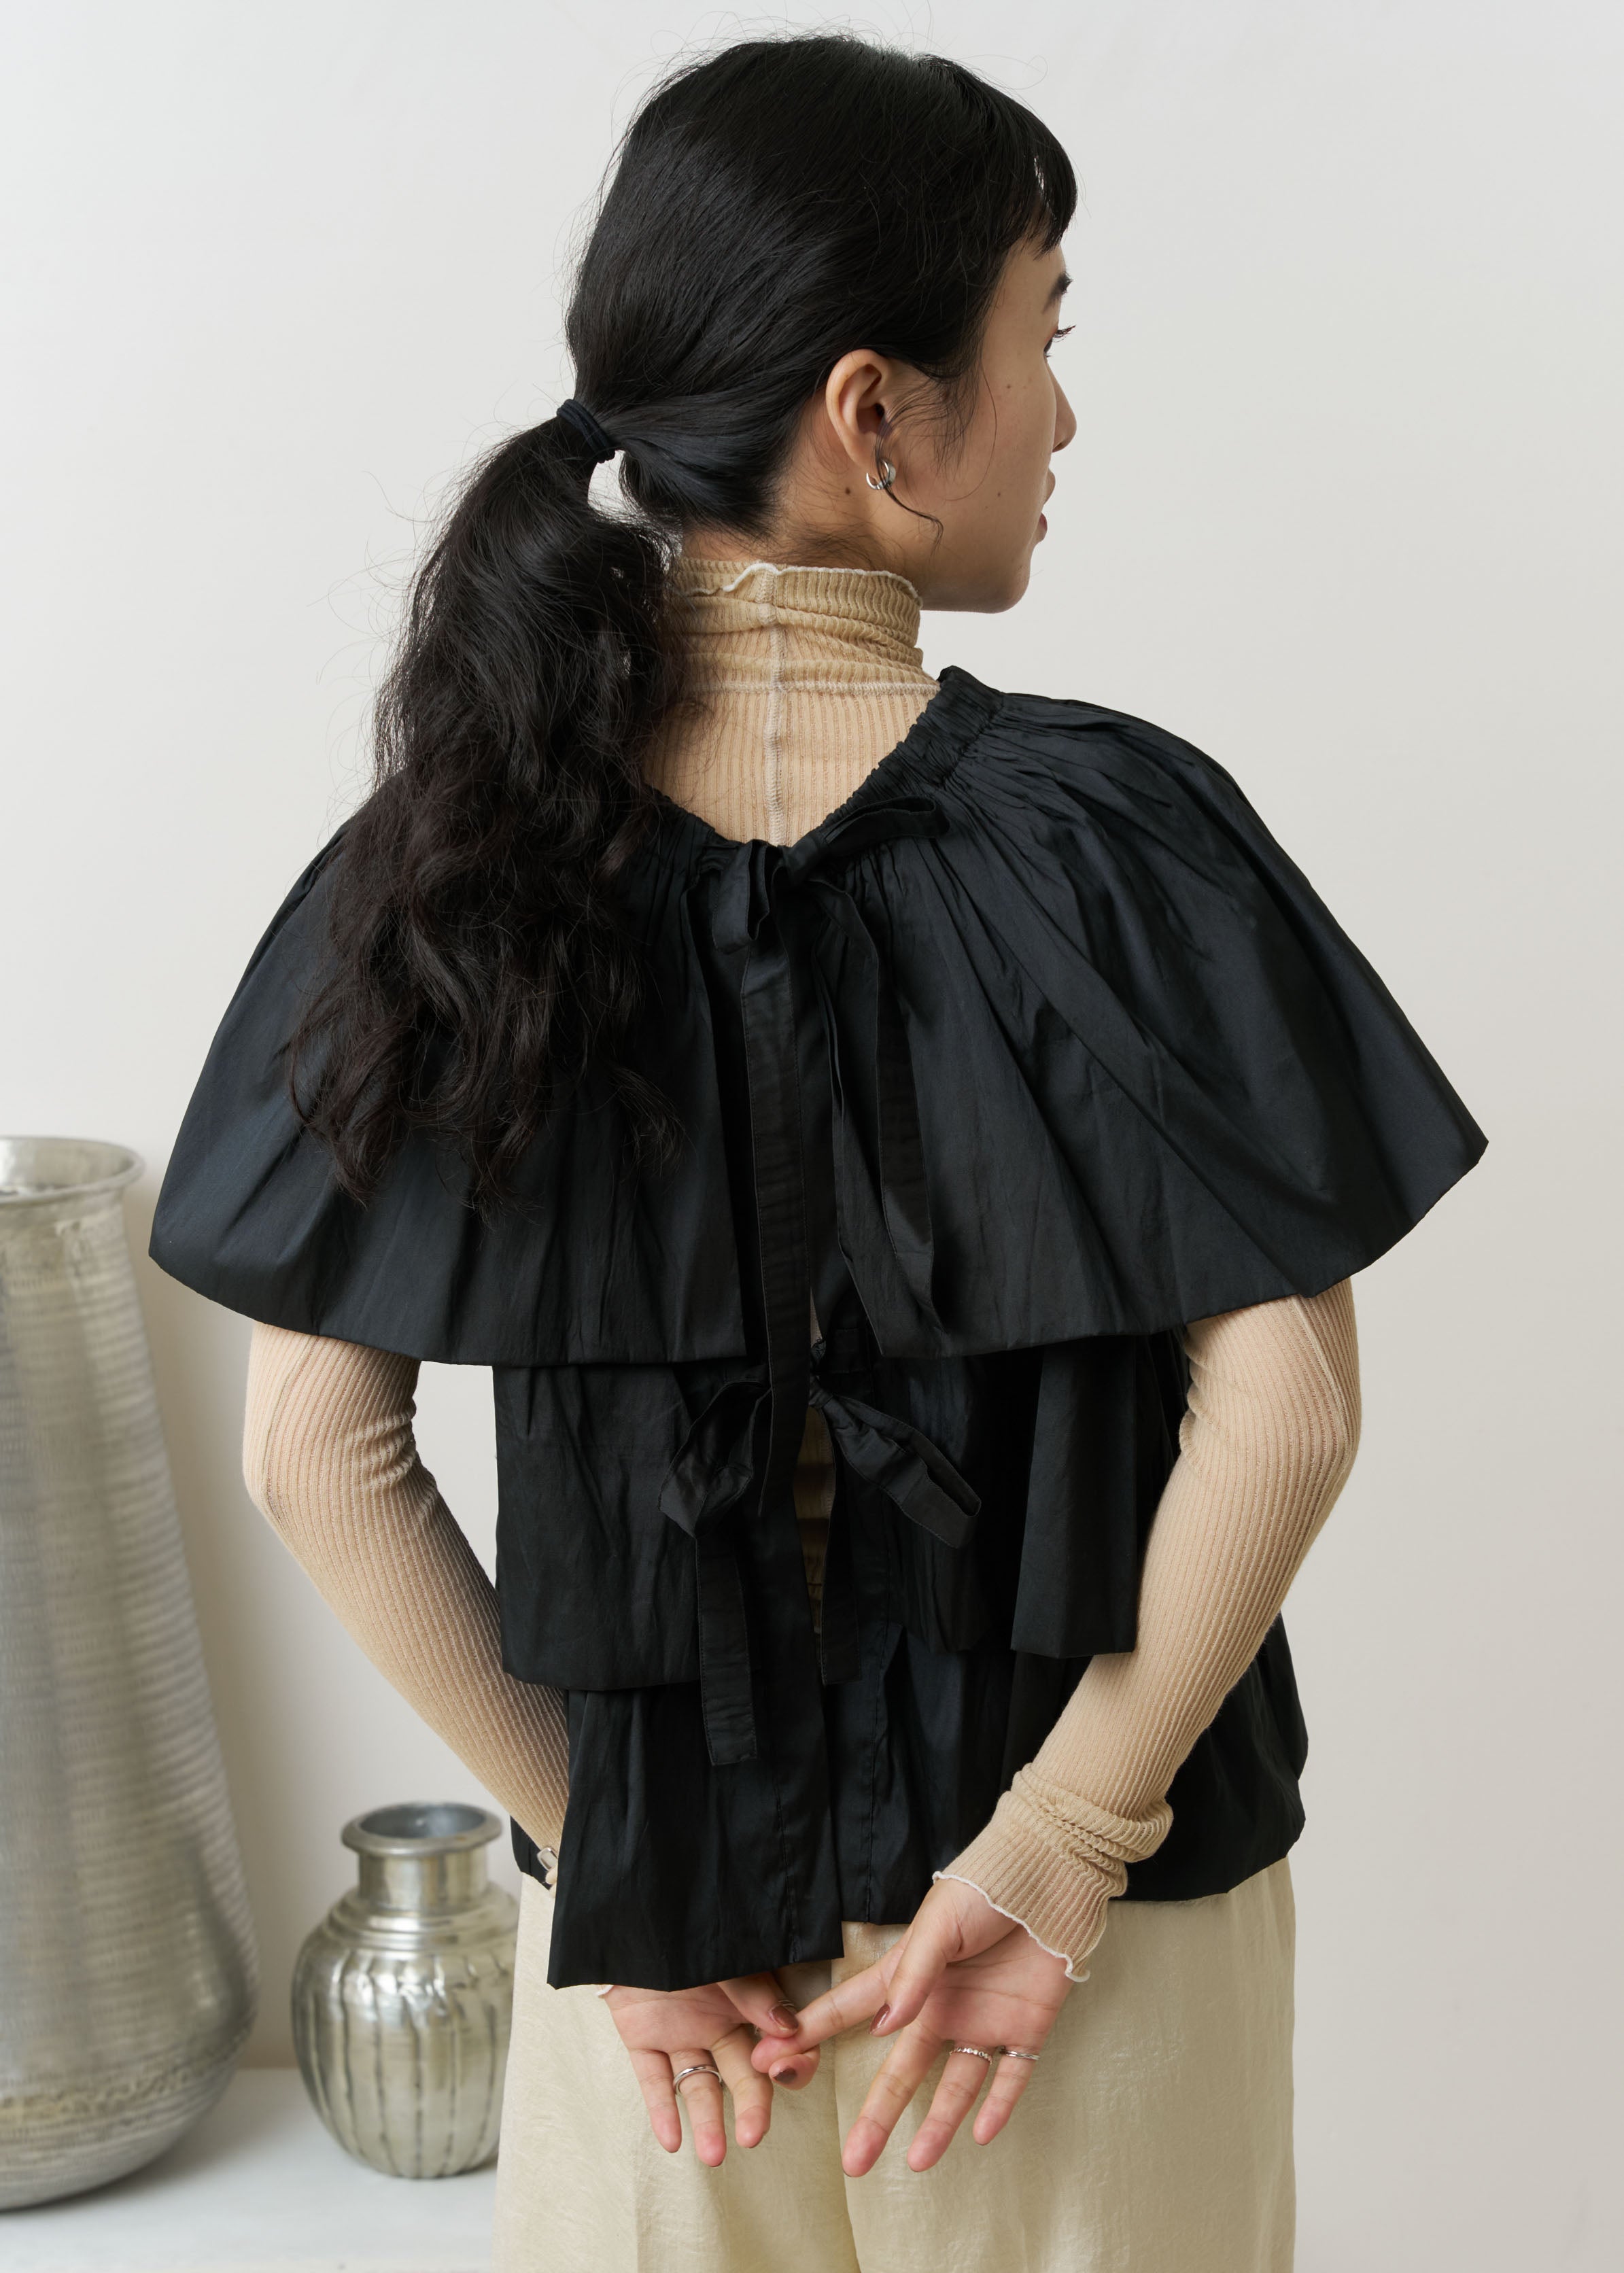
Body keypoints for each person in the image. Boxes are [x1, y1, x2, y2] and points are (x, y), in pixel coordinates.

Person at [149, 32, 1485, 2272]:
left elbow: (316, 1456)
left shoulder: (458, 857)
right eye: (1042, 340)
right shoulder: (1121, 839)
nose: (1064, 419)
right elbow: (1289, 1407)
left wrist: (613, 1856)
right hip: (1083, 1959)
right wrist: (1056, 1849)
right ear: (879, 415)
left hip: (674, 1993)